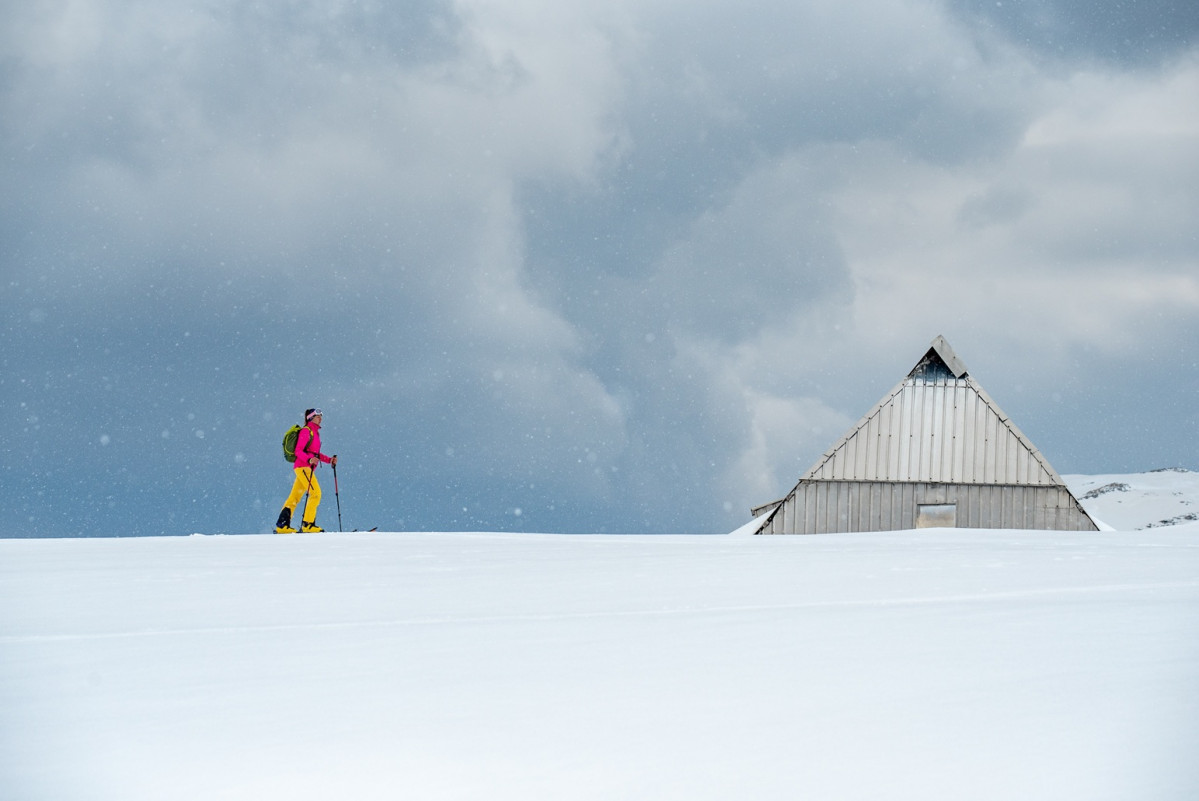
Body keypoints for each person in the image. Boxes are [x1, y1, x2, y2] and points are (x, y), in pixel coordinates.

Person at [275, 408, 337, 533]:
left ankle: (282, 526)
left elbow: (315, 454)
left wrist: (329, 460)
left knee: (294, 497)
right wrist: (309, 460)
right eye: (317, 416)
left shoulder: (315, 433)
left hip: (305, 468)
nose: (320, 418)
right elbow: (298, 451)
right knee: (316, 493)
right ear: (310, 418)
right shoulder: (306, 431)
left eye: (321, 416)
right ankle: (308, 525)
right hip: (303, 467)